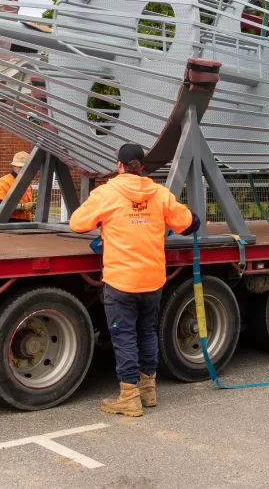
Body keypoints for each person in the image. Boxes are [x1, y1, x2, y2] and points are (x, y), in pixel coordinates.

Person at [69, 143, 199, 417]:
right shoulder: (159, 193)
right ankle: (148, 391)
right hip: (152, 279)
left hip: (121, 282)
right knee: (147, 332)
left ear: (119, 165)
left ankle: (129, 397)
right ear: (141, 166)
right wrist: (194, 220)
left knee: (124, 336)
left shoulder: (106, 194)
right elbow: (186, 223)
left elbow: (77, 223)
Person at [0, 152, 35, 222]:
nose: (24, 170)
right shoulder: (3, 182)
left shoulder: (27, 185)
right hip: (5, 223)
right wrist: (22, 207)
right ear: (14, 166)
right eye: (21, 167)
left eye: (26, 167)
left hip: (23, 223)